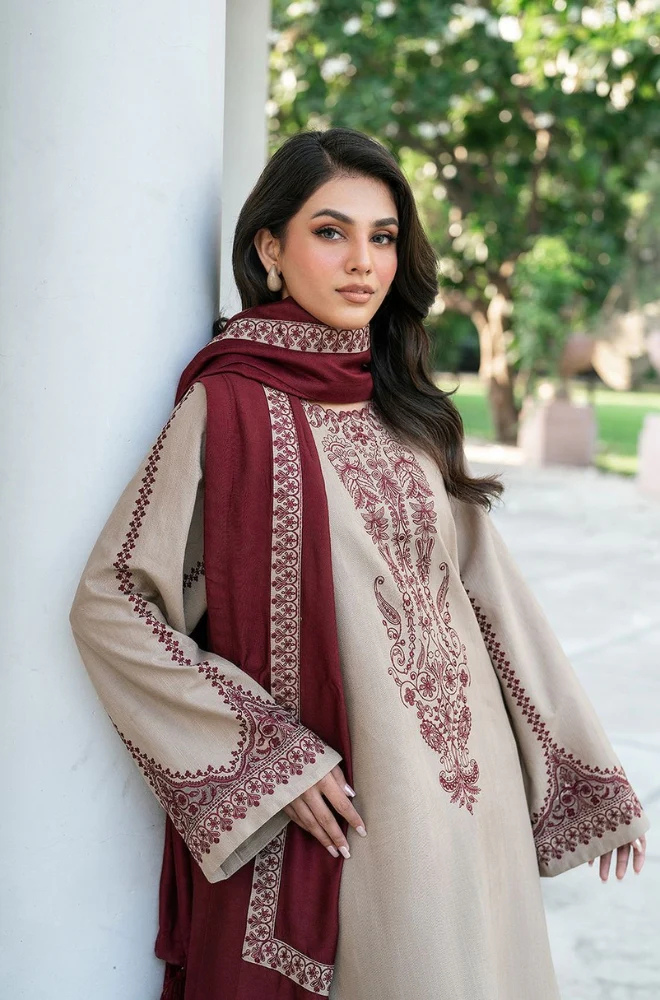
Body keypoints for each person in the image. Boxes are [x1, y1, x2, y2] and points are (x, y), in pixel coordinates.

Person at [69, 127, 649, 1000]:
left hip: (471, 806)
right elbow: (114, 600)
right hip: (363, 820)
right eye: (331, 232)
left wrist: (584, 768)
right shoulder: (228, 406)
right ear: (271, 249)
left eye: (382, 238)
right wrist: (269, 759)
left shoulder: (406, 407)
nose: (363, 263)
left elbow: (490, 596)